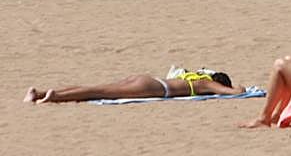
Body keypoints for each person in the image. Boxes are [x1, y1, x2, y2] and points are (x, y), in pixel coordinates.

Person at [26, 69, 240, 104]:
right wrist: (241, 89)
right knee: (98, 92)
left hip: (148, 79)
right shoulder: (206, 83)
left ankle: (41, 93)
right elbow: (233, 93)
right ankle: (53, 97)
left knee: (97, 87)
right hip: (155, 88)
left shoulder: (195, 76)